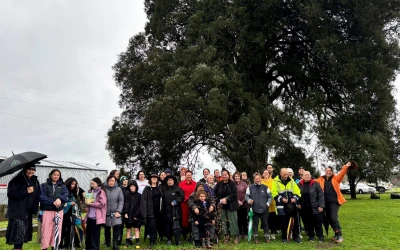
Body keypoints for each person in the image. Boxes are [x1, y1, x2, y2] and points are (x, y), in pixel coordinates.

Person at [6, 163, 40, 250]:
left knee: (24, 234)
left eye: (33, 170)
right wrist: (26, 191)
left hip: (28, 211)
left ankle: (19, 248)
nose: (31, 171)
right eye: (29, 169)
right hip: (18, 211)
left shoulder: (35, 181)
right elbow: (11, 194)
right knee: (18, 234)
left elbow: (38, 195)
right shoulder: (15, 181)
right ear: (25, 169)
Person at [315, 162, 351, 243]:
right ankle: (336, 234)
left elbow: (341, 174)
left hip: (334, 202)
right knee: (329, 219)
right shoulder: (320, 179)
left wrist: (346, 167)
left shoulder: (336, 178)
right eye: (327, 171)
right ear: (325, 171)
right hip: (325, 203)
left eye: (330, 171)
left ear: (332, 172)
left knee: (333, 217)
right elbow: (311, 181)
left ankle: (339, 235)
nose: (328, 172)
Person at [39, 169, 69, 250]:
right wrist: (52, 202)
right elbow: (41, 197)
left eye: (58, 175)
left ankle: (54, 247)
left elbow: (65, 195)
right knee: (46, 229)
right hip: (47, 211)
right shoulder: (43, 185)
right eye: (54, 174)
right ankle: (44, 247)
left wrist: (60, 199)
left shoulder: (63, 186)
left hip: (59, 211)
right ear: (51, 175)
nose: (56, 176)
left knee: (57, 229)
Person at [271, 168, 302, 243]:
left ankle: (296, 237)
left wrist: (294, 198)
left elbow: (298, 191)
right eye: (284, 174)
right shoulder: (275, 181)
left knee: (295, 221)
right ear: (280, 173)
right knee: (283, 222)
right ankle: (284, 237)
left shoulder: (291, 181)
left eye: (287, 174)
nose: (286, 176)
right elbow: (274, 193)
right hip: (281, 205)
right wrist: (281, 199)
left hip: (292, 204)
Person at [214, 168, 240, 244]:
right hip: (222, 206)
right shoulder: (219, 184)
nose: (224, 176)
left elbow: (234, 194)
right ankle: (226, 236)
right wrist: (220, 200)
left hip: (231, 206)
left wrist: (226, 199)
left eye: (226, 174)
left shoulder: (232, 183)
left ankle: (236, 236)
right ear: (221, 176)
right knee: (223, 222)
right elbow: (215, 193)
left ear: (228, 175)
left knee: (233, 222)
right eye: (223, 175)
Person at [298, 171, 325, 243]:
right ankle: (311, 236)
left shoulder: (315, 184)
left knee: (318, 223)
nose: (307, 176)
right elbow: (297, 195)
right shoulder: (299, 185)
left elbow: (321, 196)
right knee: (308, 223)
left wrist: (321, 206)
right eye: (305, 175)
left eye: (308, 175)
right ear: (302, 176)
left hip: (315, 207)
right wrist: (298, 203)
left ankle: (320, 236)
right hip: (305, 208)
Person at [245, 173, 272, 243]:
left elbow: (270, 197)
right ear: (254, 179)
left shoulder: (266, 187)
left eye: (259, 178)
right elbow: (246, 196)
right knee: (255, 224)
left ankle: (267, 237)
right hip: (254, 209)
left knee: (265, 224)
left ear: (261, 178)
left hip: (264, 209)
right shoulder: (250, 187)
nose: (258, 180)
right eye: (256, 179)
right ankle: (255, 238)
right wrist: (249, 200)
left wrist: (267, 204)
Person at [188, 182, 215, 247]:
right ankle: (197, 240)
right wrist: (195, 208)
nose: (201, 187)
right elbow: (190, 202)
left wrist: (212, 206)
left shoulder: (207, 194)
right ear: (197, 187)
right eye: (199, 186)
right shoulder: (193, 195)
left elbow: (212, 201)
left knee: (211, 222)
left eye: (202, 186)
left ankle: (209, 239)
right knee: (195, 223)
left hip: (206, 214)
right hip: (196, 215)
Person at [141, 174, 164, 248]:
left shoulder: (160, 188)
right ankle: (152, 241)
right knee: (152, 226)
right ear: (150, 179)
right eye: (153, 178)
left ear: (157, 179)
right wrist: (144, 213)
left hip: (159, 210)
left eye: (156, 178)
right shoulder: (147, 189)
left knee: (158, 225)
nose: (154, 179)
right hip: (150, 210)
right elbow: (143, 201)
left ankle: (159, 238)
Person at [85, 177, 107, 250]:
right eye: (91, 184)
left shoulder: (101, 192)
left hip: (97, 217)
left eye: (93, 183)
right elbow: (88, 202)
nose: (92, 185)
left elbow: (102, 204)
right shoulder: (90, 191)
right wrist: (86, 204)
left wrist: (91, 203)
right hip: (90, 216)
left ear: (98, 183)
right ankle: (88, 247)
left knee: (95, 235)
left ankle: (94, 248)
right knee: (88, 233)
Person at [162, 175, 184, 246]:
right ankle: (169, 239)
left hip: (176, 211)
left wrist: (175, 202)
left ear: (173, 181)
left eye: (171, 180)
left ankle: (178, 240)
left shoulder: (178, 189)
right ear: (167, 182)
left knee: (177, 226)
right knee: (168, 226)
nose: (170, 181)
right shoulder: (164, 189)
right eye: (168, 180)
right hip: (166, 211)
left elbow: (182, 197)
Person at [104, 175, 124, 250]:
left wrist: (118, 211)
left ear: (115, 181)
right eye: (110, 181)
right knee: (107, 228)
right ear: (107, 181)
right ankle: (107, 243)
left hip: (116, 213)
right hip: (106, 213)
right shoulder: (104, 189)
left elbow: (121, 201)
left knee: (116, 228)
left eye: (113, 181)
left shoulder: (119, 189)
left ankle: (115, 244)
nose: (111, 182)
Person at [60, 178, 80, 250]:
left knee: (70, 229)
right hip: (64, 213)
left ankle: (67, 244)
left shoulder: (74, 192)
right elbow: (61, 202)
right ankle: (60, 244)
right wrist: (69, 203)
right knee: (62, 230)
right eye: (72, 184)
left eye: (74, 184)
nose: (73, 186)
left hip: (72, 213)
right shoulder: (63, 191)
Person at [179, 170, 197, 241]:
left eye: (190, 175)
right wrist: (187, 199)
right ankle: (185, 235)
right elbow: (180, 193)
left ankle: (193, 234)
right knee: (185, 219)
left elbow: (197, 193)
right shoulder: (181, 184)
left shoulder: (195, 183)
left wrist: (192, 200)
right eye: (187, 175)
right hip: (184, 204)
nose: (189, 176)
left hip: (193, 204)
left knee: (193, 218)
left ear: (192, 175)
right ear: (185, 176)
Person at [123, 180, 142, 249]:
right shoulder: (126, 195)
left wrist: (136, 215)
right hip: (128, 215)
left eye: (133, 186)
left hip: (136, 215)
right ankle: (127, 241)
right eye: (131, 186)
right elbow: (126, 204)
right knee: (128, 229)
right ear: (129, 187)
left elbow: (140, 206)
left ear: (136, 187)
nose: (132, 188)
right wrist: (125, 212)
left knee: (136, 229)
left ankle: (137, 241)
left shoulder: (139, 195)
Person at [261, 169, 278, 240]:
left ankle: (273, 233)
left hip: (273, 203)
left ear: (269, 174)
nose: (266, 174)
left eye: (267, 173)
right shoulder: (261, 182)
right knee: (266, 219)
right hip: (264, 203)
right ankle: (267, 233)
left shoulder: (273, 181)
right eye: (264, 173)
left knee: (273, 219)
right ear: (262, 174)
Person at [233, 172, 249, 239]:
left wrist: (242, 202)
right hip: (236, 205)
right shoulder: (232, 184)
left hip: (244, 204)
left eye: (238, 176)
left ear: (240, 177)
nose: (237, 177)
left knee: (244, 220)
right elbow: (232, 194)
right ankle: (239, 233)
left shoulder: (244, 184)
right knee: (238, 220)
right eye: (236, 176)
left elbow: (247, 193)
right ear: (234, 177)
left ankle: (245, 233)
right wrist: (237, 201)